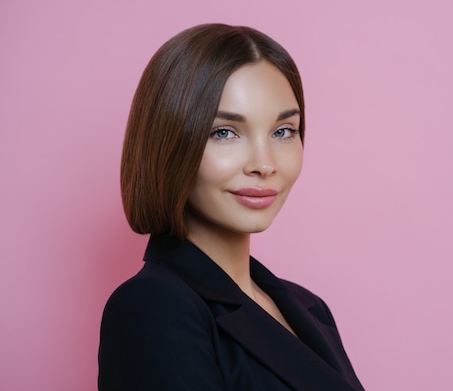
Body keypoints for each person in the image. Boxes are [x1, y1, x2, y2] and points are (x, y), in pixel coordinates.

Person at [98, 24, 364, 391]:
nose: (264, 163)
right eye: (224, 132)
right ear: (170, 143)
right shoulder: (152, 307)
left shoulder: (308, 308)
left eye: (283, 131)